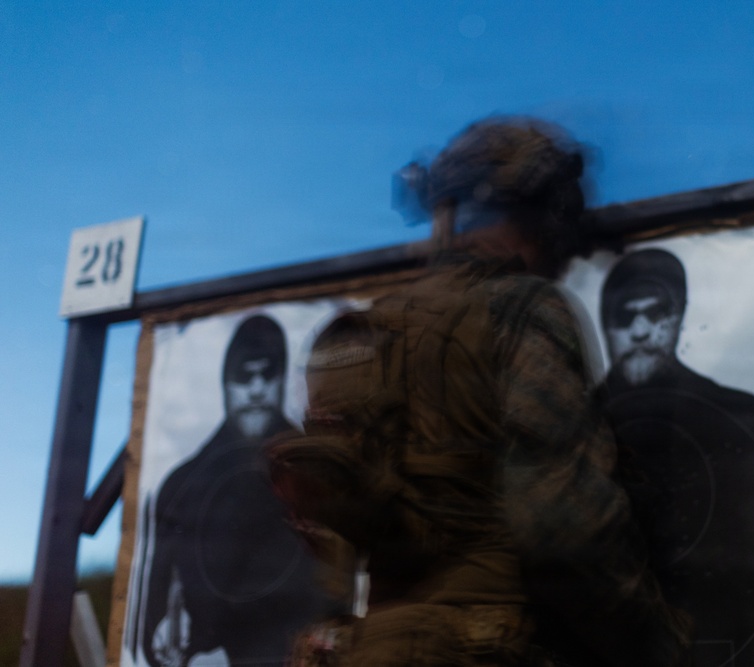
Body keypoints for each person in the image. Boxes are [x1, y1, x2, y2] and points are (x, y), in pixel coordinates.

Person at [267, 118, 689, 667]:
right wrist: (654, 644)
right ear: (543, 217)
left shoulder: (361, 334)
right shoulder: (521, 309)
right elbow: (563, 525)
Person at [598, 248, 754, 667]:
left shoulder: (741, 418)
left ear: (679, 315)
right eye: (624, 317)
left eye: (656, 312)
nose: (642, 330)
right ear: (606, 324)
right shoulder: (571, 425)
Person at [142, 314, 330, 667]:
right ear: (225, 383)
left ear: (281, 379)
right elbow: (155, 615)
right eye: (244, 376)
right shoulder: (181, 485)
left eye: (267, 374)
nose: (257, 389)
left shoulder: (322, 474)